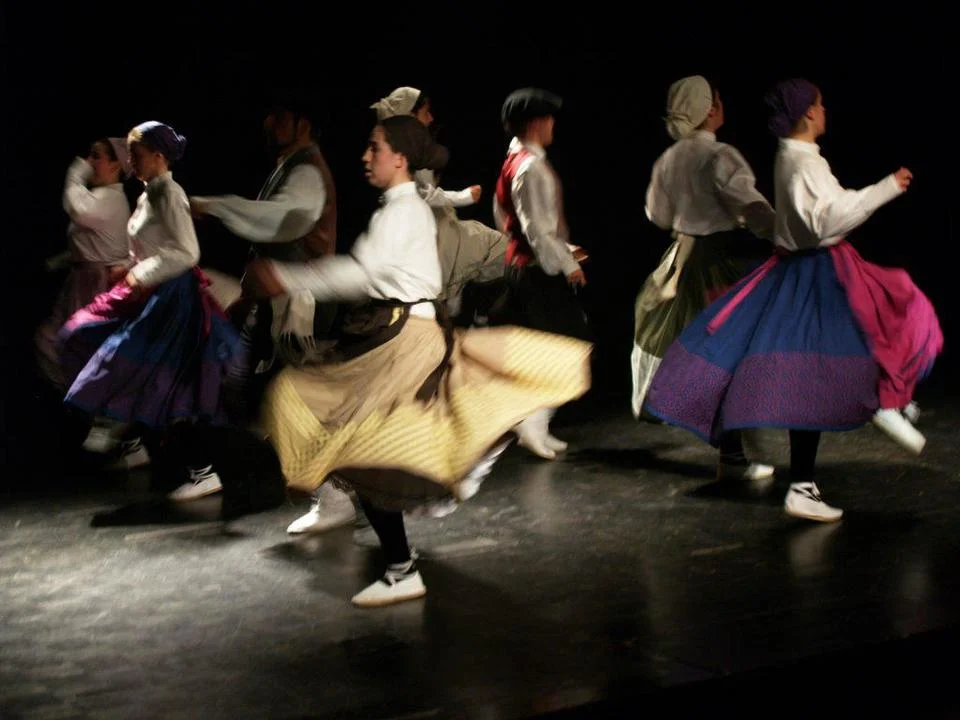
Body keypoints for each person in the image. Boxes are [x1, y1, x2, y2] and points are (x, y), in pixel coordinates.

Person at [242, 115, 591, 606]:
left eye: (375, 148)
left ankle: (401, 568)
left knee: (366, 449)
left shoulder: (403, 213)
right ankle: (378, 542)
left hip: (406, 341)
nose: (366, 156)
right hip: (396, 333)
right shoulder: (399, 208)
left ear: (401, 158)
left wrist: (286, 277)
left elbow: (361, 274)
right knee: (352, 441)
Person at [643, 79, 942, 522]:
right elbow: (813, 222)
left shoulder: (800, 158)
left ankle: (876, 408)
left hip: (774, 261)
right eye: (820, 104)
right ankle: (856, 429)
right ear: (808, 113)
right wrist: (885, 188)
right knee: (801, 362)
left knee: (816, 348)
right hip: (803, 266)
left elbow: (658, 213)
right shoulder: (789, 162)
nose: (825, 110)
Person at [57, 121, 241, 502]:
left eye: (136, 155)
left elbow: (187, 252)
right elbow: (152, 245)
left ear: (158, 156)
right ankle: (132, 438)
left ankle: (194, 467)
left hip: (172, 296)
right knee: (134, 362)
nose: (131, 162)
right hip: (155, 292)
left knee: (160, 375)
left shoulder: (169, 193)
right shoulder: (149, 194)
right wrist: (130, 267)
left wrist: (140, 273)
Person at [633, 76, 775, 481]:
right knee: (731, 357)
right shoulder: (720, 156)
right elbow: (752, 209)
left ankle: (733, 451)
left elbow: (657, 216)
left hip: (682, 261)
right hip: (718, 262)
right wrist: (785, 232)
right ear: (710, 109)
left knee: (714, 357)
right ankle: (733, 455)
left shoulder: (668, 159)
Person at [493, 88, 590, 460]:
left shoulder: (515, 160)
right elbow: (538, 231)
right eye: (548, 118)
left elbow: (506, 217)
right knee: (565, 348)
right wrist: (568, 265)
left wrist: (565, 252)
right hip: (535, 270)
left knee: (553, 349)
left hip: (525, 266)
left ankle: (537, 425)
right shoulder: (530, 167)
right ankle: (532, 423)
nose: (552, 125)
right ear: (535, 122)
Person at [371, 86, 507, 320]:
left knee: (488, 255)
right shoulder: (402, 154)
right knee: (494, 249)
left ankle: (473, 316)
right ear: (410, 116)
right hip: (429, 234)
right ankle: (472, 319)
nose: (430, 118)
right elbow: (423, 194)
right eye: (425, 112)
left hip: (437, 228)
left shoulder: (408, 149)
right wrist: (463, 197)